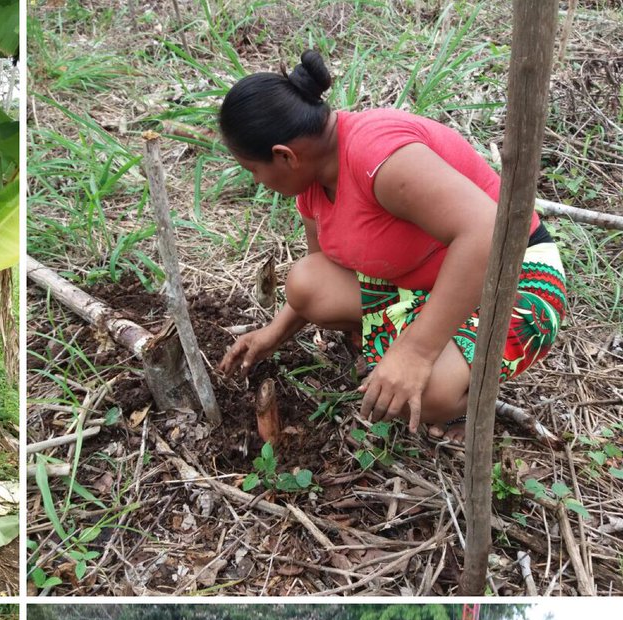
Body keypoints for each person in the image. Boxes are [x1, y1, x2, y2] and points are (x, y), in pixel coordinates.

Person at [217, 51, 567, 440]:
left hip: (514, 277)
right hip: (436, 282)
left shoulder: (377, 155)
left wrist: (415, 353)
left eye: (253, 170)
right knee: (306, 283)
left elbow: (488, 232)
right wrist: (273, 333)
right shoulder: (312, 185)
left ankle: (457, 402)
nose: (255, 182)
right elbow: (327, 273)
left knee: (424, 393)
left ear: (286, 156)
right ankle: (425, 346)